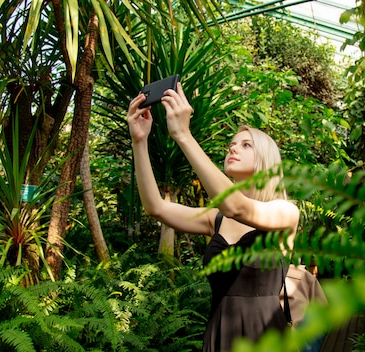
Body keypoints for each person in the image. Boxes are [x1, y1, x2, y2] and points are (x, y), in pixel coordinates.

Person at [127, 81, 299, 352]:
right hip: (220, 337)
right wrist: (140, 141)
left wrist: (184, 135)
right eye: (231, 144)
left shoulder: (285, 212)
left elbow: (237, 207)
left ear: (266, 159)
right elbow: (155, 208)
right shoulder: (216, 219)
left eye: (245, 145)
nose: (233, 148)